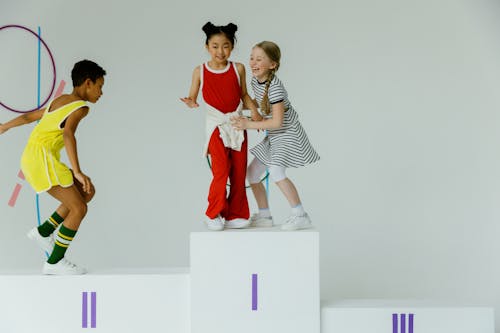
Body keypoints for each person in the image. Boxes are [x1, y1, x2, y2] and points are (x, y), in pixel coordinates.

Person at [0, 59, 106, 274]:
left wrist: (4, 127)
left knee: (86, 191)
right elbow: (68, 134)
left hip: (35, 157)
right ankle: (55, 262)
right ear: (88, 82)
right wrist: (77, 170)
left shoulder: (60, 101)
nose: (101, 93)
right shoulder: (81, 107)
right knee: (79, 208)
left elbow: (29, 117)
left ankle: (43, 231)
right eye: (100, 86)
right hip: (41, 159)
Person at [232, 41, 320, 231]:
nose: (253, 63)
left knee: (276, 172)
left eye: (259, 59)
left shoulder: (275, 88)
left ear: (272, 65)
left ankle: (300, 214)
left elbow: (277, 122)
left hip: (287, 134)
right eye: (252, 58)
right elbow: (260, 104)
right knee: (252, 173)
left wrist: (248, 124)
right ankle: (265, 216)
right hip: (275, 136)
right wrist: (238, 107)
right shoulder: (257, 81)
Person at [181, 22, 258, 231]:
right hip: (216, 125)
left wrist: (256, 115)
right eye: (215, 46)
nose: (220, 51)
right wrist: (190, 101)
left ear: (231, 47)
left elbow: (244, 95)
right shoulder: (200, 71)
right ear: (207, 47)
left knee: (239, 171)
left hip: (237, 123)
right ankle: (213, 212)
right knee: (221, 170)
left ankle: (236, 214)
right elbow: (192, 95)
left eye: (225, 46)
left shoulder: (238, 68)